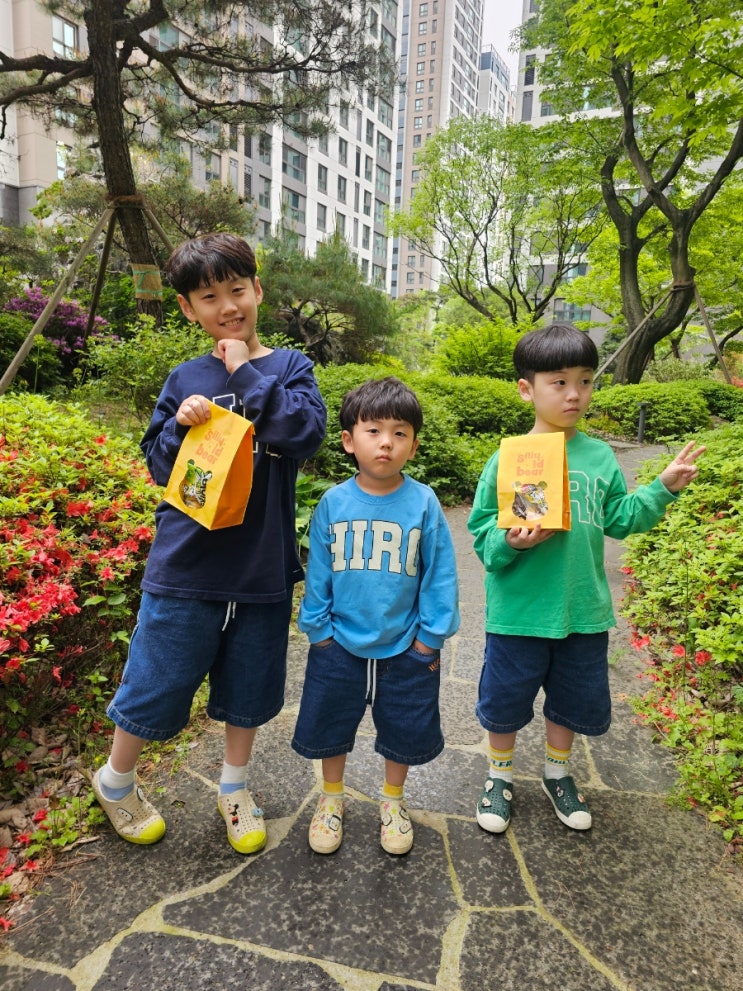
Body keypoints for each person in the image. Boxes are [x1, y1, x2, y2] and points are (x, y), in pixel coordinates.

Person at [92, 233, 326, 854]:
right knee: (157, 678)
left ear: (258, 290)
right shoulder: (185, 377)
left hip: (260, 567)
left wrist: (245, 371)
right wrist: (178, 424)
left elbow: (304, 434)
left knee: (249, 687)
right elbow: (157, 465)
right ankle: (116, 781)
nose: (228, 306)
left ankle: (234, 787)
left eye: (237, 290)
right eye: (209, 297)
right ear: (187, 308)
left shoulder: (290, 369)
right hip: (186, 565)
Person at [468, 322, 705, 834]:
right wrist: (511, 542)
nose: (574, 393)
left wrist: (662, 487)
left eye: (585, 381)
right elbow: (483, 535)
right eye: (559, 382)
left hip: (583, 610)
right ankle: (499, 775)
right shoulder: (511, 457)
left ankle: (557, 773)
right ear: (527, 389)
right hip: (519, 612)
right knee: (504, 701)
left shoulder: (600, 457)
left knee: (571, 700)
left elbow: (621, 519)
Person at [292, 377, 460, 855]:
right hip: (338, 644)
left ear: (414, 445)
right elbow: (319, 572)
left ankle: (392, 800)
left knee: (404, 727)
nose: (386, 442)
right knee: (329, 724)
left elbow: (440, 574)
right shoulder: (334, 502)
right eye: (374, 431)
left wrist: (429, 639)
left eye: (400, 433)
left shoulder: (423, 502)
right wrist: (318, 631)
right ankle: (331, 799)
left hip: (406, 646)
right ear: (349, 441)